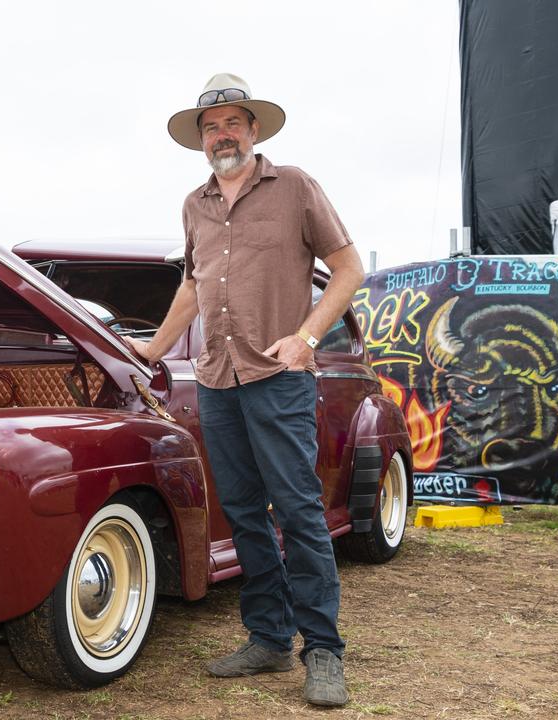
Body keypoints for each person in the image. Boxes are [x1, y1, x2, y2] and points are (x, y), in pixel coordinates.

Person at [130, 73, 364, 707]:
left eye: (233, 123)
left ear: (254, 130)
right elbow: (191, 285)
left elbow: (348, 268)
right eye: (211, 127)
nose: (222, 135)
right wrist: (150, 349)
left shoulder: (294, 188)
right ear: (200, 140)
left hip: (279, 378)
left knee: (298, 511)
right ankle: (267, 638)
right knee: (241, 514)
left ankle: (323, 651)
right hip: (217, 382)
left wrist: (308, 339)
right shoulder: (194, 204)